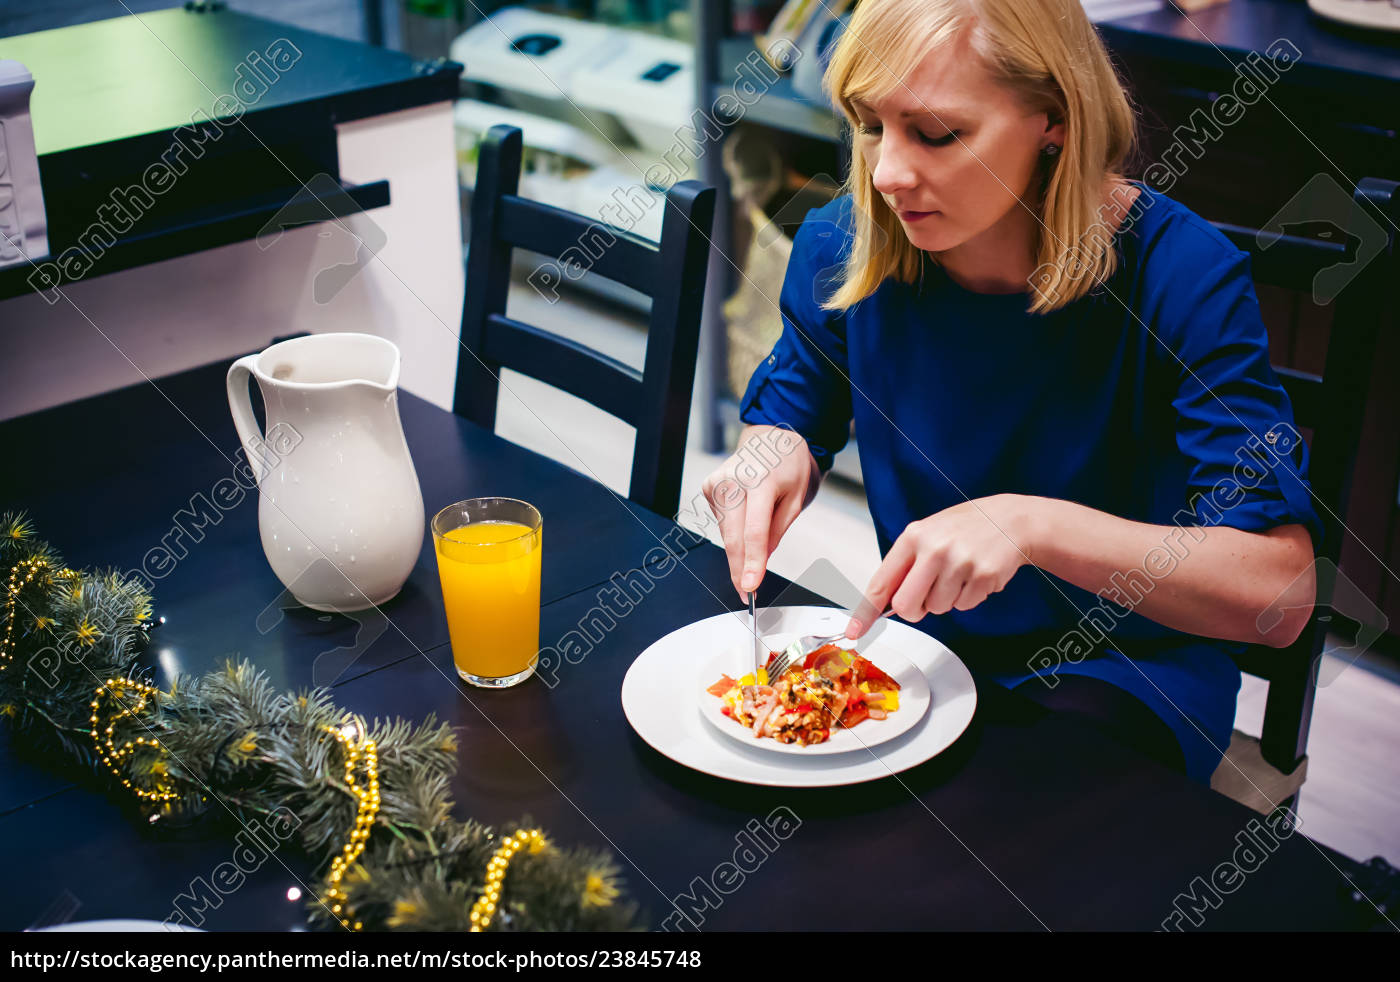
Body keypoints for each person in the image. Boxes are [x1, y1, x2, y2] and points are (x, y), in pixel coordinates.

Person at [702, 0, 1320, 783]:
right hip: (930, 653)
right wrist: (769, 457)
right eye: (869, 124)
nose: (888, 173)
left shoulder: (1179, 276)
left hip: (1125, 672)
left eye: (935, 133)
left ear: (1053, 119)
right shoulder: (841, 246)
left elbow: (1281, 594)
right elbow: (789, 412)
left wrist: (1030, 526)